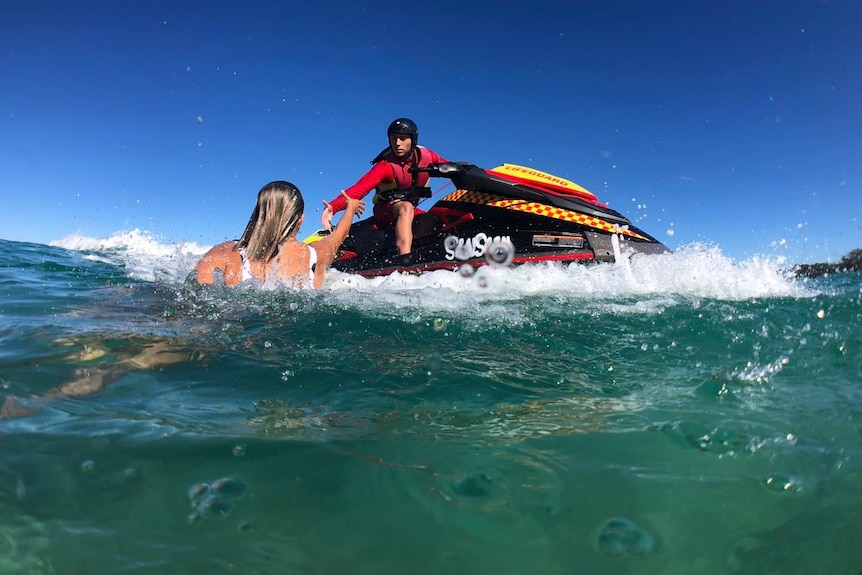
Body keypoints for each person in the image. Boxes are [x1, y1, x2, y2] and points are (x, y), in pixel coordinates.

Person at [195, 181, 364, 289]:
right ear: (300, 220)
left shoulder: (226, 253)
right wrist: (350, 208)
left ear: (258, 213)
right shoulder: (316, 255)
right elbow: (339, 235)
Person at [320, 118, 447, 260]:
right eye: (394, 138)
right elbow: (359, 189)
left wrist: (471, 172)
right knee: (405, 208)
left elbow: (452, 168)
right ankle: (404, 260)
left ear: (413, 140)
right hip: (385, 210)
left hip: (410, 210)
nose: (397, 143)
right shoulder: (385, 166)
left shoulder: (428, 157)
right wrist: (333, 207)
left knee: (435, 218)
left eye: (403, 138)